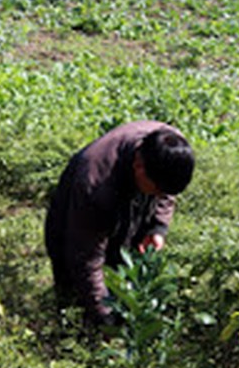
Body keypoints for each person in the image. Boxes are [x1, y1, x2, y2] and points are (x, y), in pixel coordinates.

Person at [44, 121, 195, 327]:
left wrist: (157, 228)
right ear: (138, 166)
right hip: (74, 217)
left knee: (123, 274)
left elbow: (167, 194)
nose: (160, 196)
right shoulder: (95, 184)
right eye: (157, 191)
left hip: (121, 201)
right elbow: (86, 259)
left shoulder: (171, 149)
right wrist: (105, 317)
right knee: (74, 295)